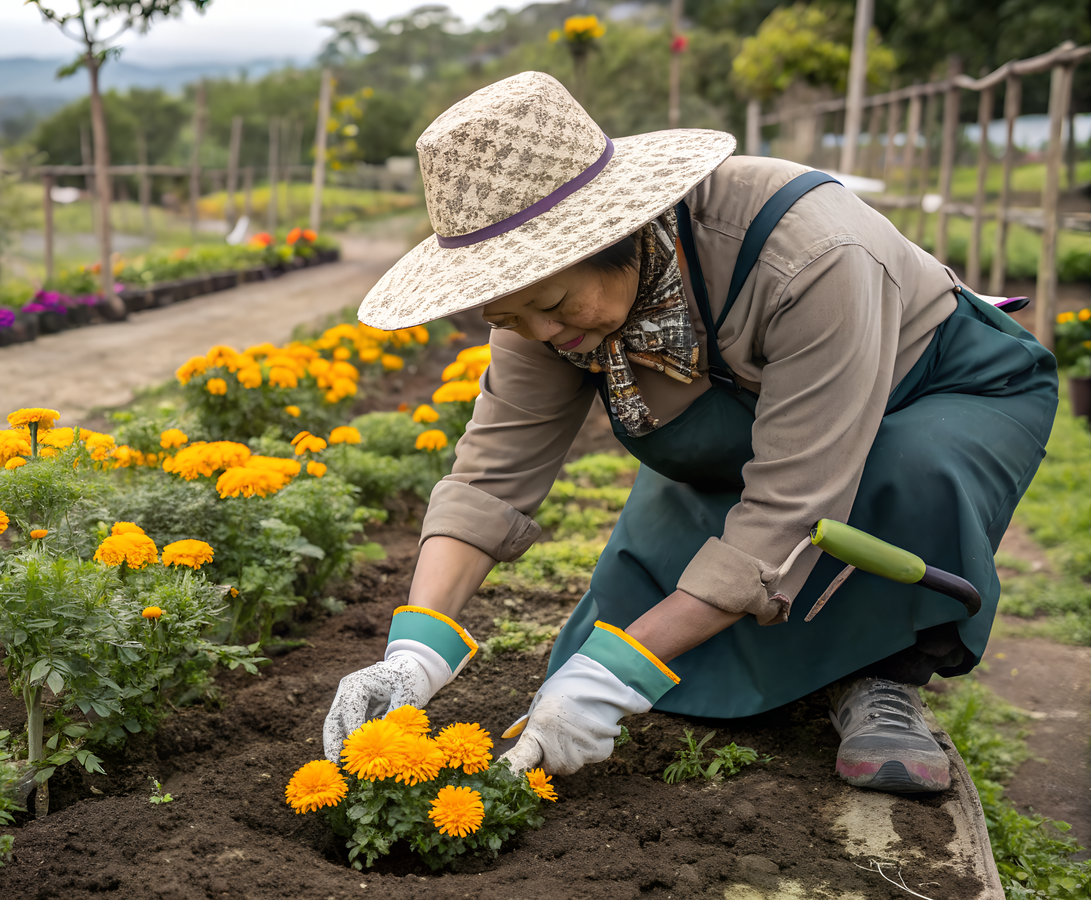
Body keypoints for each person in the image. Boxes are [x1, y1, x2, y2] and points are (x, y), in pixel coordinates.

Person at [322, 72, 1057, 793]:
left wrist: (621, 673)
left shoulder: (812, 255)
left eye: (553, 304)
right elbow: (492, 472)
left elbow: (792, 508)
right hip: (764, 424)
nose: (542, 333)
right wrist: (415, 651)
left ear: (617, 233)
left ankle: (884, 678)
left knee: (905, 471)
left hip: (934, 387)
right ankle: (793, 654)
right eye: (511, 318)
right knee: (615, 642)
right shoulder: (533, 311)